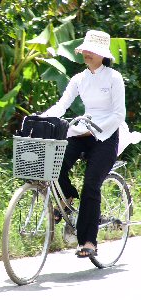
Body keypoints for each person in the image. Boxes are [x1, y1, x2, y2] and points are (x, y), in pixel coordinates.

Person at [41, 29, 126, 258]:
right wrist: (41, 117)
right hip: (81, 132)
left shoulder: (114, 78)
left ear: (103, 54)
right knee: (53, 163)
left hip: (106, 137)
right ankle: (67, 196)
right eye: (86, 50)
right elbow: (61, 105)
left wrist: (98, 130)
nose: (87, 54)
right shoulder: (79, 79)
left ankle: (88, 240)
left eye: (93, 51)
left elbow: (119, 115)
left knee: (91, 184)